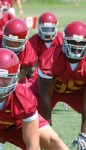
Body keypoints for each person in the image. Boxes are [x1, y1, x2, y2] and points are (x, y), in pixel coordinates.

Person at [28, 20, 86, 149]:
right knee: (23, 107)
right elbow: (45, 98)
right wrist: (48, 130)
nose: (77, 47)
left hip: (75, 92)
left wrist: (84, 133)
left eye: (81, 43)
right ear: (64, 41)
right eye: (73, 42)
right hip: (50, 91)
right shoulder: (51, 58)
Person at [28, 11, 63, 77]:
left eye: (50, 29)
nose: (47, 33)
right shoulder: (33, 41)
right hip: (39, 73)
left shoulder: (61, 39)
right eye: (45, 29)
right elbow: (32, 66)